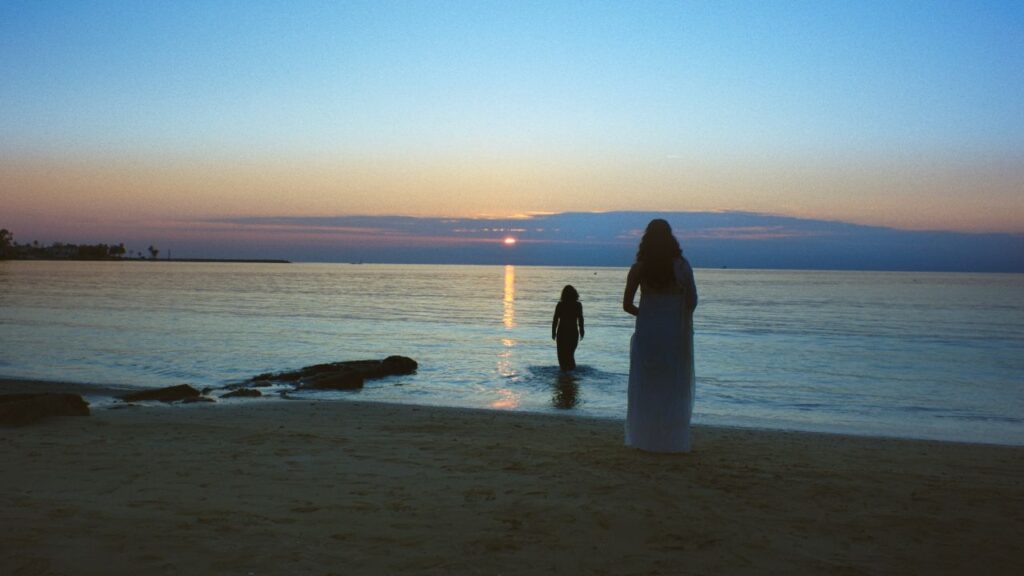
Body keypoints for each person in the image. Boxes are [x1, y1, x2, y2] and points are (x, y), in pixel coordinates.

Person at [622, 219, 698, 452]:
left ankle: (644, 439)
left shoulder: (639, 268)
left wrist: (646, 315)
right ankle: (670, 441)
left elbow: (627, 305)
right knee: (671, 386)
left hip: (648, 333)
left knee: (647, 385)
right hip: (673, 333)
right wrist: (675, 315)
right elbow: (692, 301)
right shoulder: (682, 266)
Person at [552, 284, 585, 371]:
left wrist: (553, 332)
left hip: (562, 333)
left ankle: (564, 377)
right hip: (573, 333)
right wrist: (582, 331)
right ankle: (571, 377)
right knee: (570, 355)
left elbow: (555, 319)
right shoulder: (578, 305)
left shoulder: (560, 305)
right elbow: (580, 319)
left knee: (561, 356)